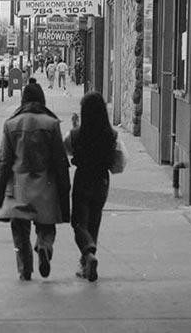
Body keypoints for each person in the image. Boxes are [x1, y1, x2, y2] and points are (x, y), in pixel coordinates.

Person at [0, 78, 70, 281]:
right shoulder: (51, 124)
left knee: (19, 230)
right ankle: (44, 246)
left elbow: (3, 162)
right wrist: (64, 191)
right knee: (46, 226)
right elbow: (60, 161)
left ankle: (25, 270)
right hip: (46, 185)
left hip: (19, 186)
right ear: (42, 101)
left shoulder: (11, 125)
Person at [64, 91, 116, 282]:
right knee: (94, 220)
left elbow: (67, 148)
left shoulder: (76, 134)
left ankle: (88, 253)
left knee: (79, 222)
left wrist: (75, 129)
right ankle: (86, 261)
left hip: (83, 179)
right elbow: (119, 161)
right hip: (102, 181)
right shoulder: (112, 134)